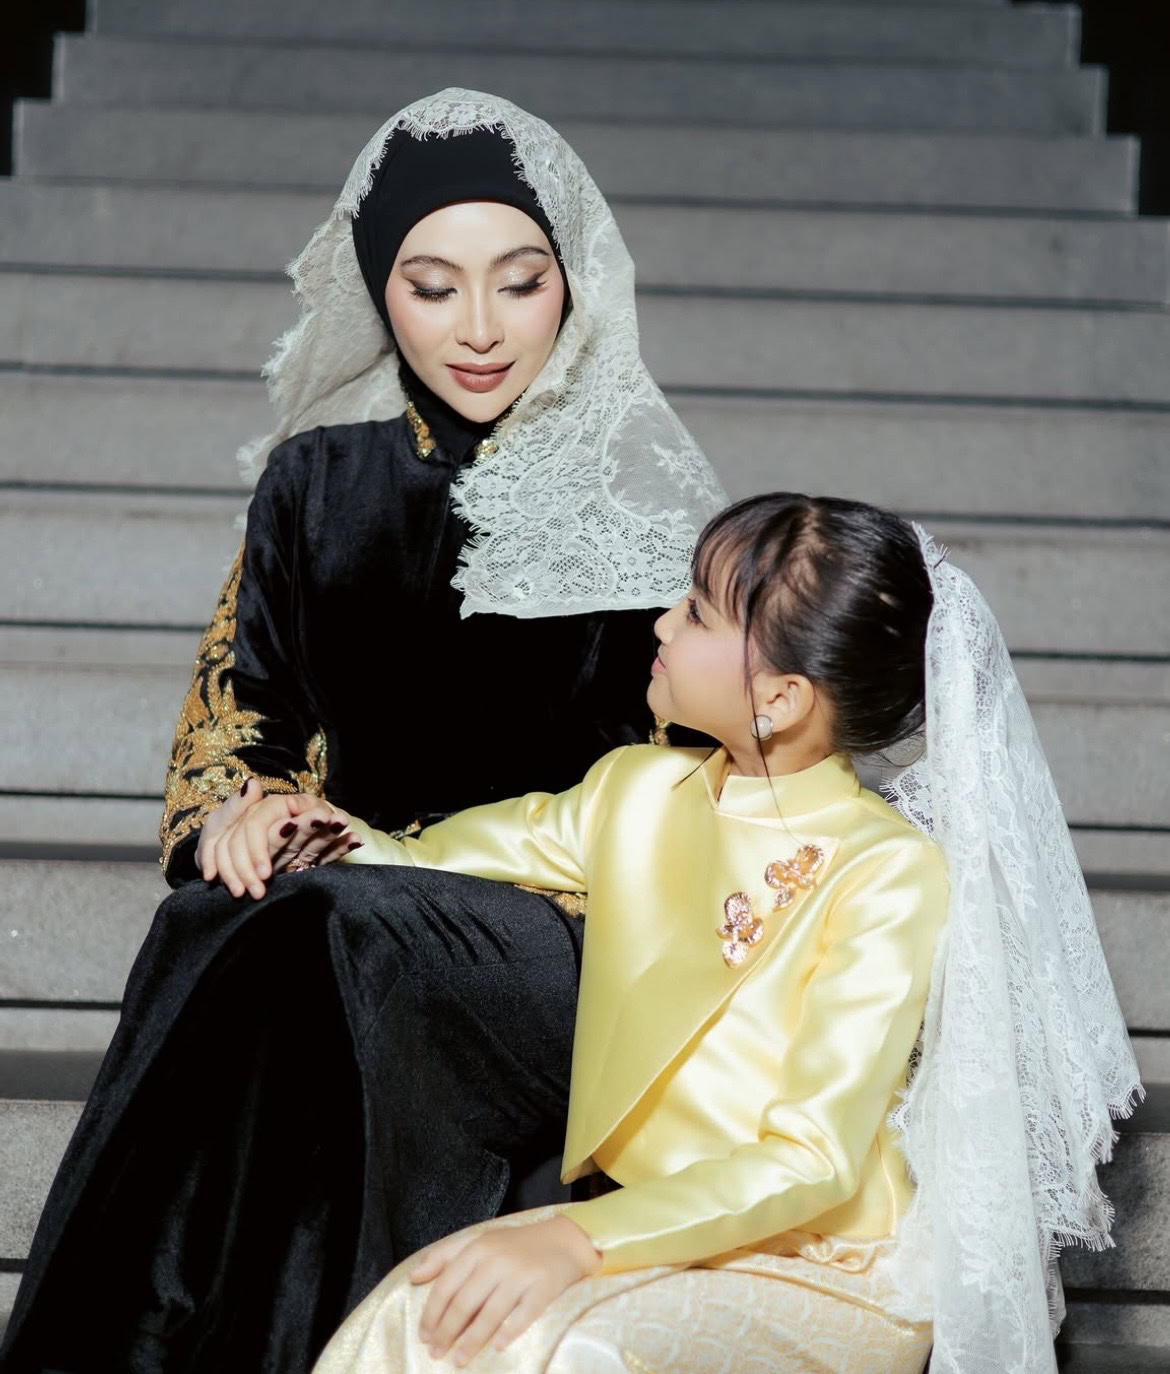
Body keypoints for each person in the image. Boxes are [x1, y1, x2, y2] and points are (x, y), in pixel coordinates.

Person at [0, 90, 724, 1374]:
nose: (481, 327)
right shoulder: (315, 482)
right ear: (381, 293)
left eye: (521, 282)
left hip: (564, 932)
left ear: (573, 283)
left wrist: (410, 861)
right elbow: (241, 719)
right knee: (218, 916)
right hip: (342, 905)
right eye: (432, 287)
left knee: (325, 927)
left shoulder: (645, 506)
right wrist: (242, 814)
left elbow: (702, 793)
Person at [250, 494, 1138, 1374]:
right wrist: (304, 828)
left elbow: (812, 1159)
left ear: (781, 697)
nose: (664, 623)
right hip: (648, 1227)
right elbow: (423, 862)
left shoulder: (888, 871)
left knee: (548, 1346)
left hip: (826, 1262)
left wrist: (577, 1239)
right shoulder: (636, 791)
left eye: (699, 613)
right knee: (417, 1311)